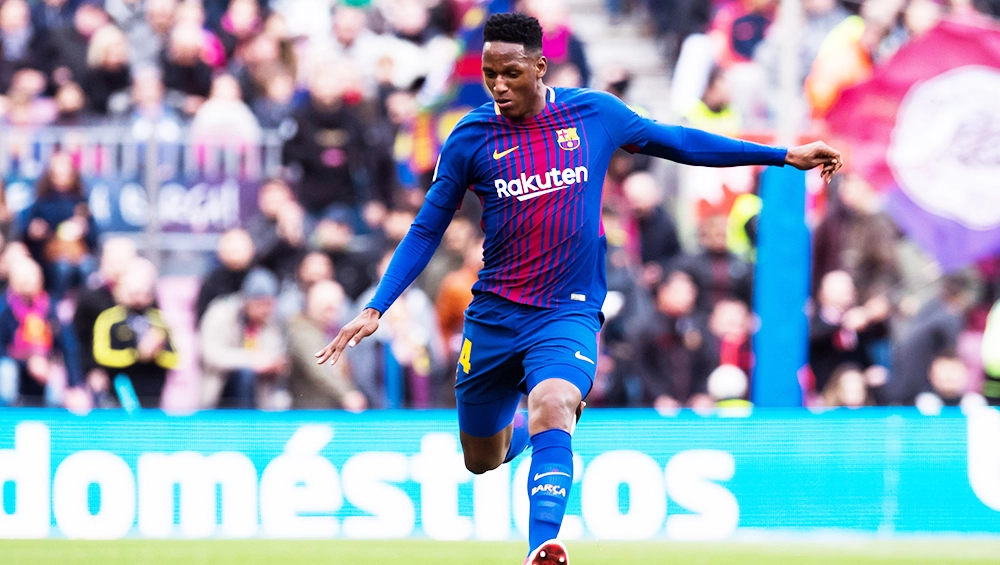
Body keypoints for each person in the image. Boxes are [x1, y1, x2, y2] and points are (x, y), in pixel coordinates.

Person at [315, 12, 841, 564]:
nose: (499, 86)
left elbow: (680, 141)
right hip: (494, 315)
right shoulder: (471, 136)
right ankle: (532, 435)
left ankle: (542, 545)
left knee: (554, 401)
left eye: (511, 73)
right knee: (480, 458)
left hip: (566, 312)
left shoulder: (594, 114)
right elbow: (427, 227)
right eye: (490, 74)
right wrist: (377, 305)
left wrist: (782, 155)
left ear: (540, 67)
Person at [92, 257, 178, 408]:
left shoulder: (160, 321)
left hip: (153, 390)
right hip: (121, 387)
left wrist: (156, 353)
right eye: (134, 293)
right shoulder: (109, 319)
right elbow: (101, 355)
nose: (139, 298)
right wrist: (137, 354)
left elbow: (174, 358)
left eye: (144, 293)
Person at [199, 267, 287, 409]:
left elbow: (275, 354)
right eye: (260, 304)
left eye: (269, 304)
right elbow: (210, 354)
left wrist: (274, 364)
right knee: (245, 373)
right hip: (220, 390)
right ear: (246, 301)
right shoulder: (220, 313)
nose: (265, 310)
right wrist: (252, 360)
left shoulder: (272, 321)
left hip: (260, 396)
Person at [0, 257, 81, 407]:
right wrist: (27, 361)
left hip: (45, 363)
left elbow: (67, 345)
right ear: (12, 282)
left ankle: (54, 414)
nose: (28, 283)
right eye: (23, 279)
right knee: (6, 371)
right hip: (14, 363)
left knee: (57, 375)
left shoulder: (50, 307)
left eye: (32, 278)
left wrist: (74, 384)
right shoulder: (4, 309)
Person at [285, 280, 367, 410]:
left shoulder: (327, 329)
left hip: (328, 408)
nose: (334, 314)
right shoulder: (302, 332)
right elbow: (319, 368)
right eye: (329, 308)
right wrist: (347, 394)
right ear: (313, 305)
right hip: (311, 411)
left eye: (337, 308)